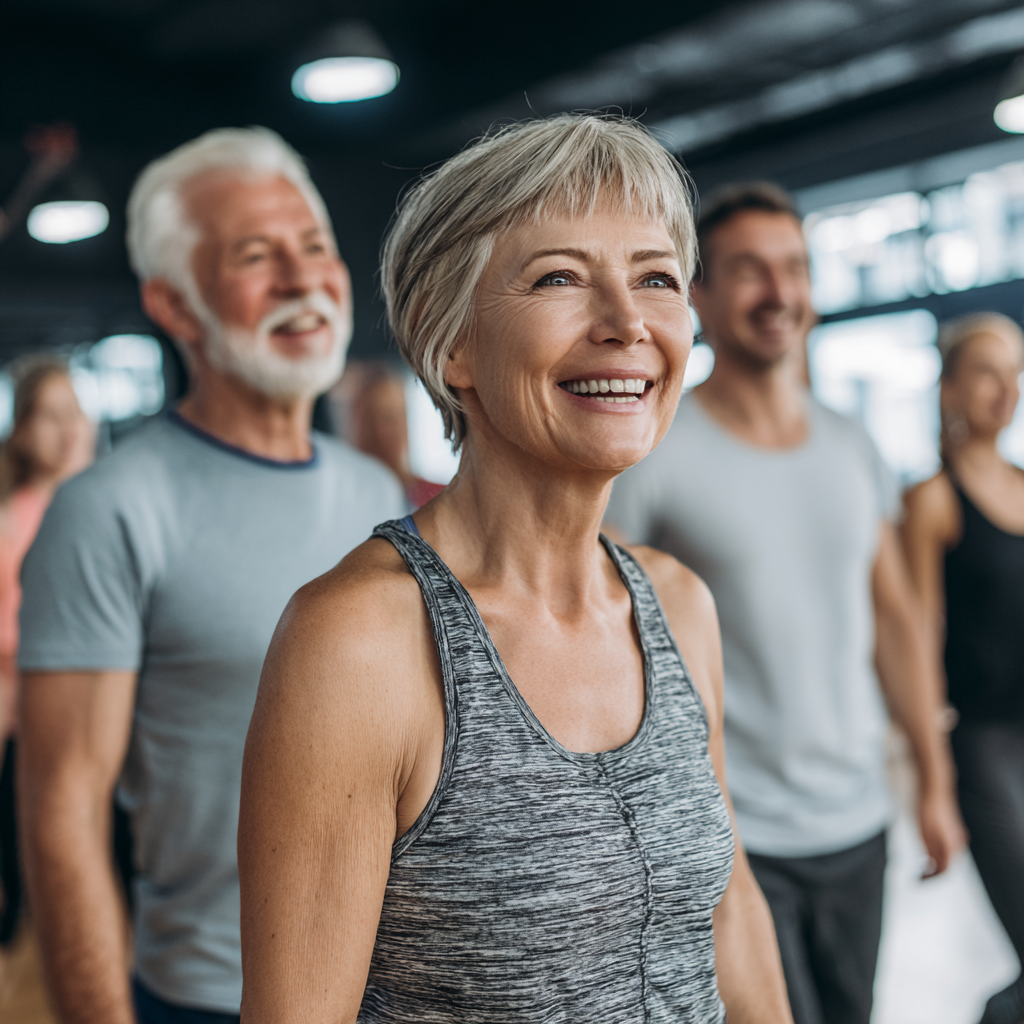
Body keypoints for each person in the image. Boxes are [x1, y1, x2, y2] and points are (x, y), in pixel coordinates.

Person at [238, 114, 792, 1024]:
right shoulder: (361, 643)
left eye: (655, 278)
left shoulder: (676, 603)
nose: (627, 323)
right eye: (561, 279)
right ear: (451, 343)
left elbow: (726, 909)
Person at [17, 127, 405, 1024]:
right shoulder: (110, 507)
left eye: (314, 246)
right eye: (255, 257)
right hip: (210, 996)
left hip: (397, 989)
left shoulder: (374, 491)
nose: (303, 279)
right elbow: (63, 813)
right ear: (176, 305)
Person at [605, 182, 965, 1024]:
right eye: (750, 272)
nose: (779, 294)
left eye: (794, 269)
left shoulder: (851, 443)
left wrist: (934, 785)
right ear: (701, 295)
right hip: (736, 834)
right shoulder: (654, 457)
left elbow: (896, 622)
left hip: (859, 820)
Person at [901, 313, 1024, 1024]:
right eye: (985, 372)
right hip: (984, 745)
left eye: (1014, 375)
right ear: (950, 387)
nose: (1004, 391)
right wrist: (933, 787)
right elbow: (914, 638)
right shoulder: (932, 501)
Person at [0, 357, 93, 984]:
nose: (69, 430)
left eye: (76, 413)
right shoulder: (18, 518)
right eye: (51, 416)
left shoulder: (97, 511)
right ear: (24, 431)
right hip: (30, 727)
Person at [336, 361, 445, 508]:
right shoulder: (344, 499)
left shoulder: (439, 496)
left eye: (403, 414)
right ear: (362, 426)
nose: (398, 426)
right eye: (386, 417)